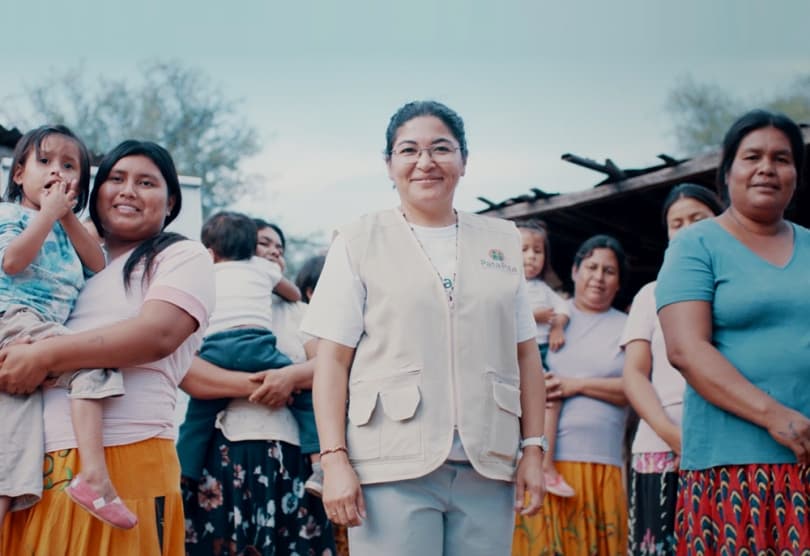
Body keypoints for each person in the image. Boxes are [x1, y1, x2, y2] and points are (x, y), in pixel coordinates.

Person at [302, 100, 546, 556]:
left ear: (464, 161)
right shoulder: (358, 240)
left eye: (441, 149)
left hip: (487, 465)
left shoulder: (502, 241)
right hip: (390, 464)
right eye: (409, 150)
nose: (425, 162)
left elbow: (526, 354)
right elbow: (332, 359)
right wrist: (333, 459)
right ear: (389, 165)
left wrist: (533, 448)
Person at [0, 140, 216, 555]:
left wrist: (42, 356)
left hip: (124, 461)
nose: (129, 190)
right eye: (116, 179)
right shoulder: (66, 263)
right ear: (94, 193)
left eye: (146, 182)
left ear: (171, 201)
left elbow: (158, 335)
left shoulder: (181, 255)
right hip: (31, 471)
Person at [657, 109, 810, 553]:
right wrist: (774, 416)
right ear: (727, 172)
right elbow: (686, 349)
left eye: (782, 158)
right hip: (731, 468)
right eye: (752, 156)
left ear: (796, 174)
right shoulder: (695, 244)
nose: (767, 168)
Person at [0, 125, 138, 532]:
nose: (56, 172)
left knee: (13, 459)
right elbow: (12, 263)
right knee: (94, 363)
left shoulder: (74, 228)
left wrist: (65, 217)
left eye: (68, 165)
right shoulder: (10, 214)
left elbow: (97, 263)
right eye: (44, 162)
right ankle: (94, 476)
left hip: (40, 334)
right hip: (15, 318)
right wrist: (45, 215)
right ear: (19, 174)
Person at [181, 225, 336, 556]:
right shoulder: (210, 303)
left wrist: (289, 378)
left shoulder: (301, 313)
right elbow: (188, 373)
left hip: (294, 459)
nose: (274, 251)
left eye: (280, 246)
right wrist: (264, 385)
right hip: (224, 457)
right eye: (263, 243)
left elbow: (329, 368)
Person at [621, 184, 724, 555]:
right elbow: (634, 375)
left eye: (698, 218)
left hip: (729, 446)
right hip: (660, 447)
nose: (686, 229)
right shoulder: (650, 294)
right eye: (676, 223)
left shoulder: (737, 288)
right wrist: (676, 437)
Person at [513, 234, 630, 556]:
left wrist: (575, 385)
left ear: (619, 282)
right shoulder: (549, 321)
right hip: (538, 468)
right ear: (575, 271)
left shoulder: (628, 327)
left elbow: (634, 389)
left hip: (600, 465)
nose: (598, 277)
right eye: (591, 267)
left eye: (609, 271)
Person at [516, 219, 573, 499]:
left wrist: (558, 326)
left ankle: (543, 462)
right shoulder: (507, 285)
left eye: (537, 251)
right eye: (524, 249)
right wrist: (533, 316)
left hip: (539, 355)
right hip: (513, 355)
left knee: (551, 398)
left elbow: (564, 307)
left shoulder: (543, 288)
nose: (531, 257)